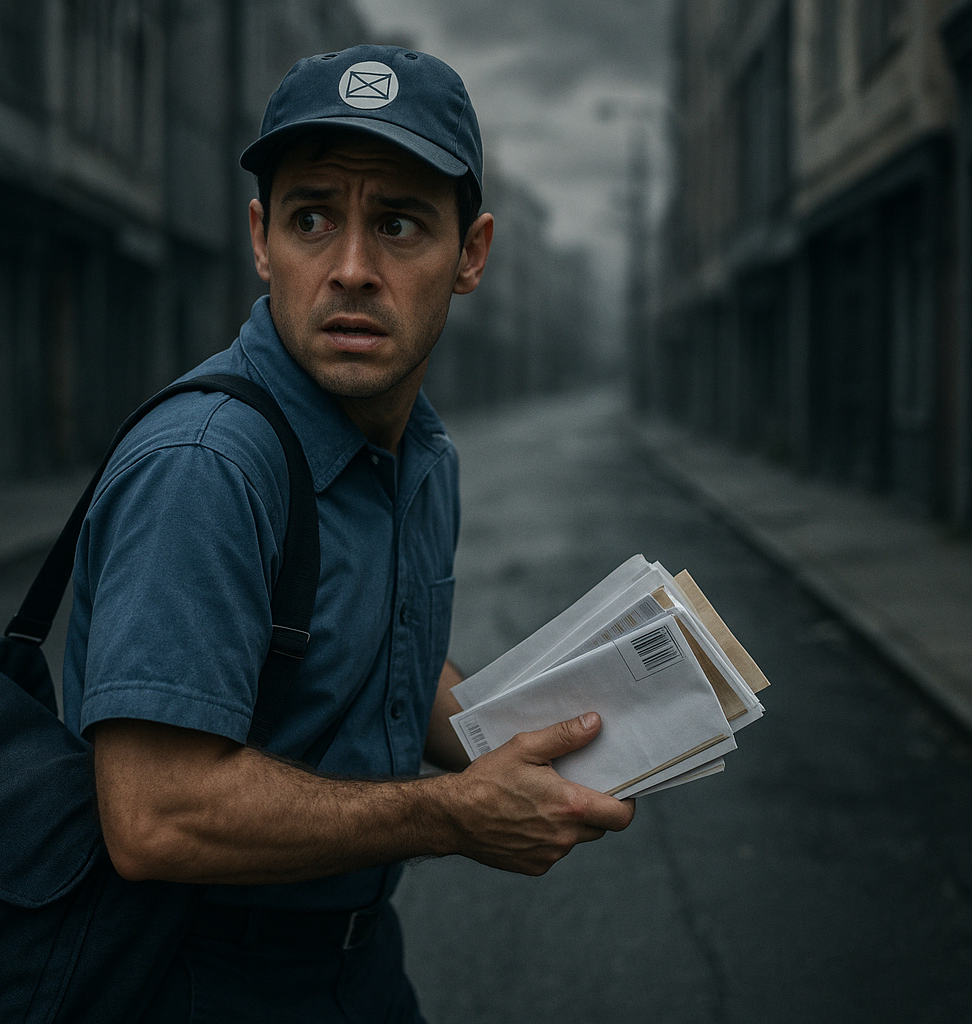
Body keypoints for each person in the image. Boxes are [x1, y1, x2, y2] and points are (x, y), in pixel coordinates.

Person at [61, 43, 634, 1022]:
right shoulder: (210, 464)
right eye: (312, 217)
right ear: (260, 238)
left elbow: (382, 672)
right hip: (187, 977)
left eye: (401, 223)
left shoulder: (416, 454)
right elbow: (155, 815)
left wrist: (569, 740)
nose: (353, 269)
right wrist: (453, 815)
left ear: (472, 254)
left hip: (354, 966)